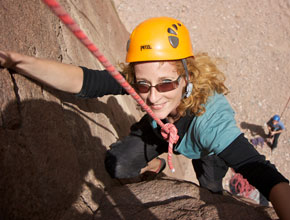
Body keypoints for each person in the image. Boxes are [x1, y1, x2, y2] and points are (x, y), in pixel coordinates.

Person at [1, 17, 290, 219]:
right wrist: (22, 62)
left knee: (211, 190)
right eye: (142, 85)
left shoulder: (210, 122)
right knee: (117, 163)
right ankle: (162, 158)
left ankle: (172, 163)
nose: (152, 98)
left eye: (166, 84)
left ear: (188, 76)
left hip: (206, 149)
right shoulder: (147, 88)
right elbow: (86, 81)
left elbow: (263, 174)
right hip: (159, 132)